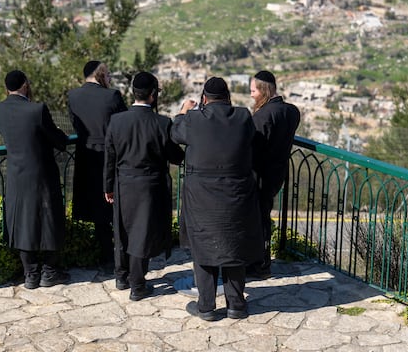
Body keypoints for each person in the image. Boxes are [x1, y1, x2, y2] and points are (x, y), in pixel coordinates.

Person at [171, 77, 263, 321]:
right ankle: (236, 305)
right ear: (228, 98)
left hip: (201, 196)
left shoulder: (193, 119)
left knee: (203, 247)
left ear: (204, 99)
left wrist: (183, 112)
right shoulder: (243, 117)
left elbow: (175, 133)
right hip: (236, 195)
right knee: (234, 246)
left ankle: (206, 306)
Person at [103, 72, 184, 301]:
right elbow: (176, 157)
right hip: (150, 186)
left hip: (123, 183)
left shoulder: (117, 121)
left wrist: (108, 186)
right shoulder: (162, 123)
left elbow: (110, 157)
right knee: (141, 233)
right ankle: (137, 285)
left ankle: (121, 276)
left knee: (122, 229)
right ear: (153, 94)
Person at [0, 70, 70, 289]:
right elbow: (56, 139)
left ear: (6, 88)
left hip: (17, 174)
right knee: (49, 221)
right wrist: (60, 135)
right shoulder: (37, 109)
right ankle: (49, 272)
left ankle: (30, 274)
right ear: (26, 85)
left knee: (22, 222)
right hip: (43, 173)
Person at [67, 60, 127, 267]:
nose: (109, 78)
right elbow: (124, 124)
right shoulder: (112, 96)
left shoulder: (73, 96)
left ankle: (106, 256)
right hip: (110, 155)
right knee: (115, 206)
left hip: (86, 155)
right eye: (108, 74)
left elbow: (75, 124)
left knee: (96, 209)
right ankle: (121, 255)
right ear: (100, 74)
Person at [247, 70, 301, 279]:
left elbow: (252, 146)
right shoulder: (292, 111)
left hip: (259, 174)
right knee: (263, 216)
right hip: (278, 172)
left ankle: (259, 264)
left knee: (257, 219)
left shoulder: (262, 116)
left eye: (253, 90)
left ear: (262, 90)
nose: (251, 95)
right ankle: (262, 261)